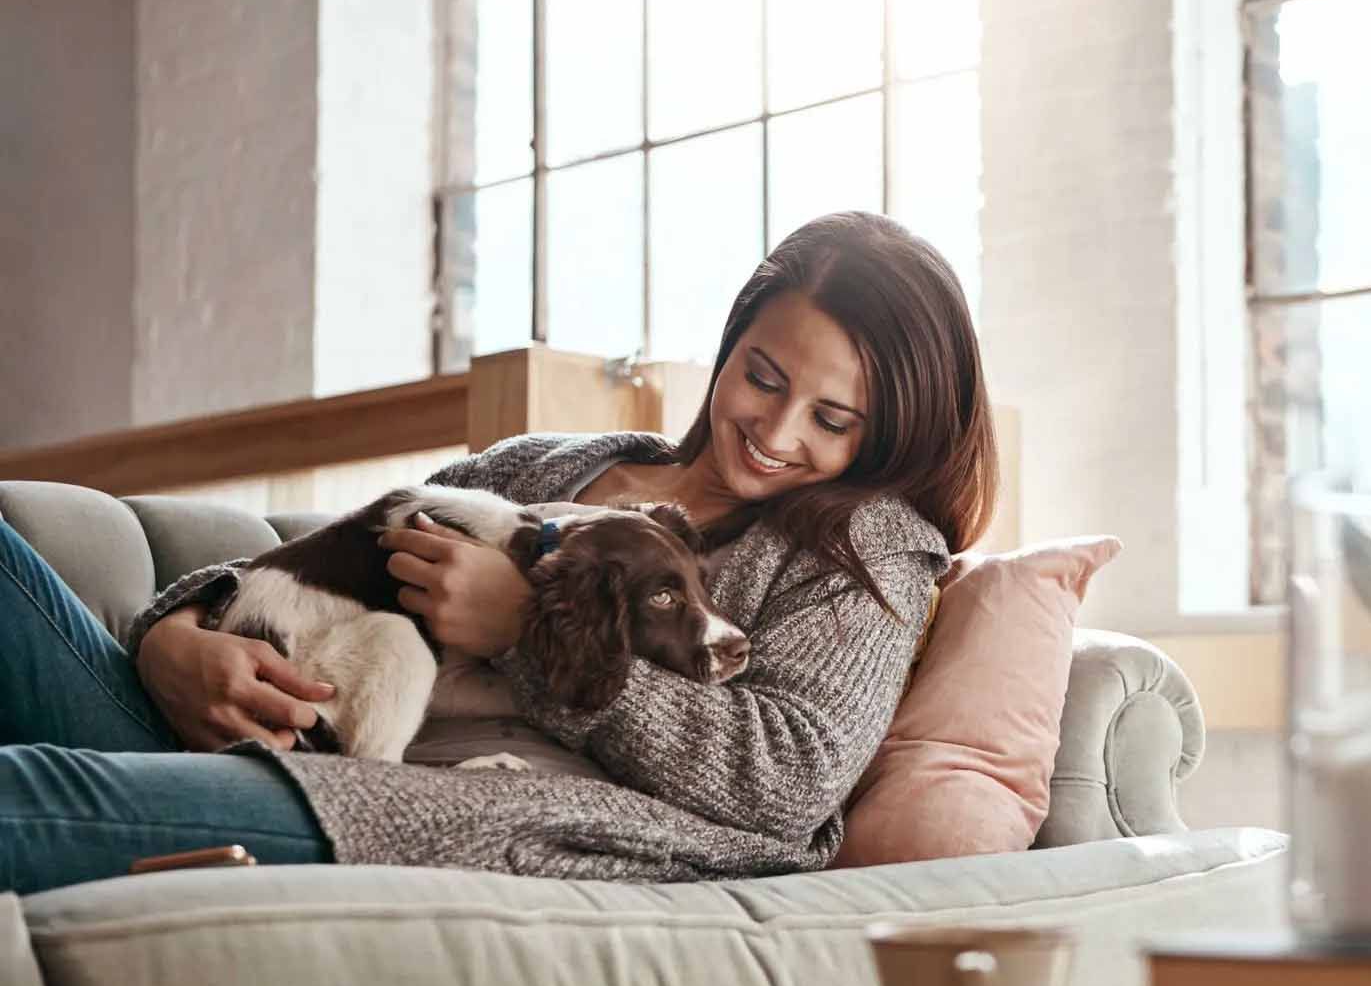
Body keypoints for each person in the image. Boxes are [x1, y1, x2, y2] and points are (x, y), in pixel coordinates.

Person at [0, 211, 998, 895]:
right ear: (732, 342)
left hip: (399, 801)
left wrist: (525, 627)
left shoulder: (866, 545)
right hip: (254, 709)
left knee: (25, 792)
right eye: (762, 375)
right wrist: (175, 637)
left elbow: (787, 780)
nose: (777, 430)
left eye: (833, 417)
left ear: (885, 431)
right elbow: (338, 554)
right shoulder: (546, 461)